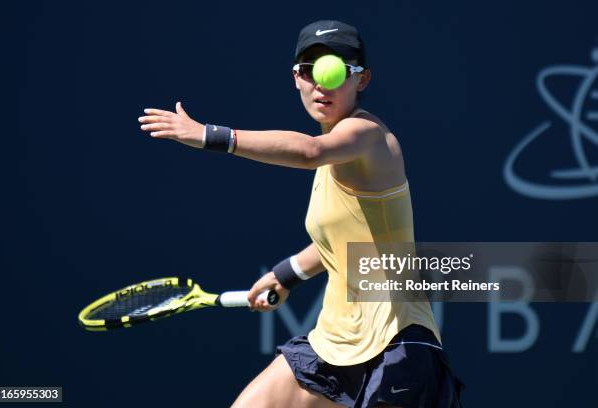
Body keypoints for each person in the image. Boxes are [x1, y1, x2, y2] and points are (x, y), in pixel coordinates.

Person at [139, 19, 463, 408]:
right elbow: (340, 242)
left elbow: (309, 151)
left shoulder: (367, 136)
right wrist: (285, 275)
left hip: (397, 346)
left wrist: (209, 135)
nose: (321, 82)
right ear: (296, 78)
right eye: (309, 70)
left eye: (337, 69)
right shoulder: (337, 151)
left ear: (362, 80)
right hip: (335, 340)